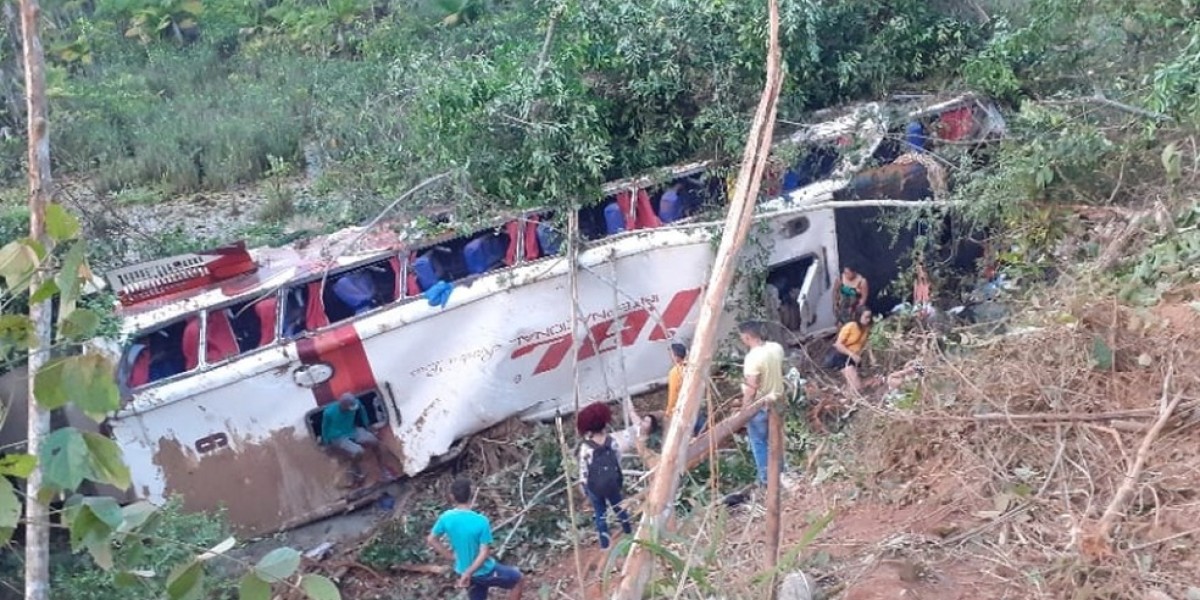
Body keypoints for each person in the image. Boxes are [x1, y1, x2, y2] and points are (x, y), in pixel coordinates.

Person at [576, 401, 659, 548]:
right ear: (604, 423)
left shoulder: (586, 447)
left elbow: (584, 469)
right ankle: (629, 533)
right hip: (612, 484)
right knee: (620, 507)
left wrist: (584, 486)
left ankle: (605, 544)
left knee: (600, 514)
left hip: (595, 487)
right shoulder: (611, 441)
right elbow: (617, 459)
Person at [427, 477, 525, 600]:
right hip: (484, 571)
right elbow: (484, 553)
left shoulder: (445, 518)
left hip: (463, 571)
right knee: (518, 579)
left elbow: (431, 539)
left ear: (452, 497)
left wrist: (451, 556)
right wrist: (469, 572)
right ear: (471, 495)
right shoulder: (481, 521)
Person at [737, 322, 787, 487]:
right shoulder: (776, 348)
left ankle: (767, 479)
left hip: (761, 406)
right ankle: (781, 472)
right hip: (778, 401)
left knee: (759, 442)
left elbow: (752, 388)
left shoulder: (752, 358)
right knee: (776, 439)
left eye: (742, 337)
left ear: (747, 337)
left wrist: (744, 411)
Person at [319, 393, 396, 484]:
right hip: (336, 435)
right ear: (343, 405)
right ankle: (356, 469)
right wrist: (326, 442)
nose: (352, 409)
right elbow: (325, 428)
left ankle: (383, 468)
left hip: (351, 430)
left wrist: (367, 425)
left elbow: (362, 411)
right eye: (349, 407)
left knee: (374, 441)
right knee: (358, 451)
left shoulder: (356, 402)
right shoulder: (329, 412)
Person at [825, 307, 874, 394]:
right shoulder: (851, 326)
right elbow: (838, 344)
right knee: (857, 387)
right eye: (866, 317)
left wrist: (871, 357)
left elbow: (866, 344)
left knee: (856, 386)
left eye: (869, 317)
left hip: (852, 358)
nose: (868, 320)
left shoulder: (866, 329)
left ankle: (846, 394)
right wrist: (852, 355)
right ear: (859, 317)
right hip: (840, 355)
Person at [665, 343, 707, 436]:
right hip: (695, 402)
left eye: (672, 354)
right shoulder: (692, 367)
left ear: (676, 357)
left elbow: (673, 394)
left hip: (682, 406)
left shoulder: (675, 372)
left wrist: (669, 411)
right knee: (699, 425)